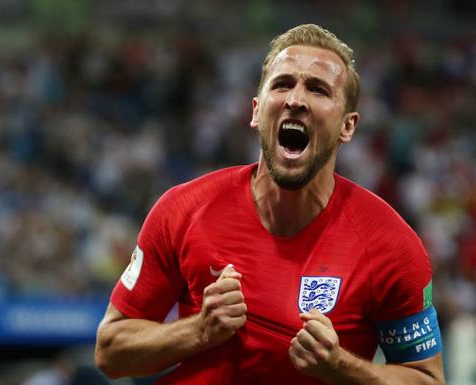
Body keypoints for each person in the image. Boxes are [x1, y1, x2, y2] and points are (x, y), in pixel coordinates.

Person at [94, 23, 445, 385]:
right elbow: (110, 351)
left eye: (318, 89)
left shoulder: (390, 247)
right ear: (257, 111)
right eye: (282, 84)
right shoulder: (183, 209)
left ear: (347, 126)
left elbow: (427, 380)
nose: (295, 99)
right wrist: (199, 330)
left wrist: (342, 367)